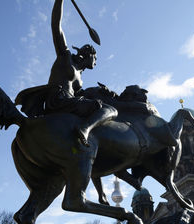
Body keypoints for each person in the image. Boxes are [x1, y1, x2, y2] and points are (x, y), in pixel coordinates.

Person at [15, 0, 117, 146]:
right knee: (109, 110)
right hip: (59, 100)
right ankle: (84, 129)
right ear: (88, 54)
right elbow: (56, 26)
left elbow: (81, 94)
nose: (96, 61)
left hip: (70, 103)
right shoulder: (65, 56)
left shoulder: (80, 76)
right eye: (95, 57)